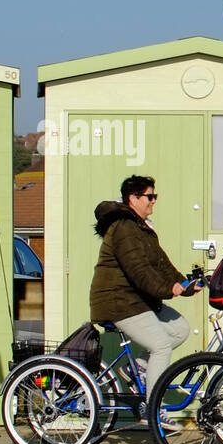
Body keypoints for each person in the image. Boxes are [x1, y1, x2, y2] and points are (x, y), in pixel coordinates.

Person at [90, 175, 196, 425]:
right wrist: (166, 289)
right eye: (150, 196)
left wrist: (187, 285)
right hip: (118, 300)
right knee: (160, 345)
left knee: (180, 329)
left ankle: (136, 368)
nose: (153, 202)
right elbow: (138, 270)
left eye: (154, 196)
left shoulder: (142, 227)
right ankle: (153, 408)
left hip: (135, 299)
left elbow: (161, 265)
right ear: (133, 198)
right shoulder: (124, 228)